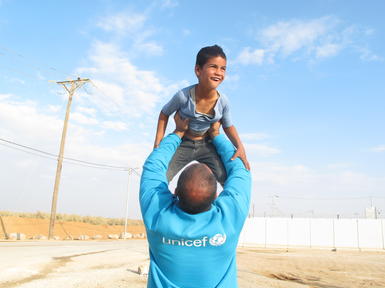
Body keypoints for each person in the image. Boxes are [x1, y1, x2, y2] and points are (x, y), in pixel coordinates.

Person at [140, 112, 251, 288]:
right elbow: (241, 169)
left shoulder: (157, 216)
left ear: (175, 192)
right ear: (216, 197)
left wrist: (178, 132)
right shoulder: (229, 219)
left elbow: (153, 167)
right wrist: (216, 135)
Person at [153, 45, 250, 187]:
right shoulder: (183, 96)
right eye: (213, 67)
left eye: (223, 68)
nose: (219, 72)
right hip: (184, 143)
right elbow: (164, 113)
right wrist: (157, 143)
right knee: (162, 177)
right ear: (198, 70)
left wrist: (240, 146)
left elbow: (228, 125)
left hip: (207, 145)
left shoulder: (223, 102)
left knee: (226, 179)